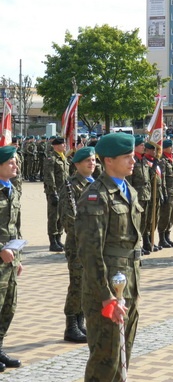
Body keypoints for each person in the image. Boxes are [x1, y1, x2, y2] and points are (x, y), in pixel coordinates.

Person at [76, 133, 142, 382]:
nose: (133, 161)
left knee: (123, 351)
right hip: (107, 288)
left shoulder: (128, 189)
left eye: (132, 155)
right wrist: (105, 296)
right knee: (106, 355)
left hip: (128, 281)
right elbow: (90, 253)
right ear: (109, 160)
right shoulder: (96, 196)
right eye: (127, 157)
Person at [59, 146, 96, 343]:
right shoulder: (70, 186)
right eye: (87, 161)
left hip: (93, 244)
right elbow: (69, 219)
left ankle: (81, 322)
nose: (92, 163)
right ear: (77, 164)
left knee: (87, 283)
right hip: (78, 244)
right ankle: (71, 326)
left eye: (94, 160)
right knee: (77, 283)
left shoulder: (97, 184)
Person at [0, 145, 23, 371]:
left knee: (9, 307)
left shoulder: (12, 190)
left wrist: (18, 256)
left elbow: (15, 227)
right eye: (10, 163)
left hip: (10, 260)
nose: (15, 165)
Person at [43, 136, 69, 252]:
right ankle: (52, 241)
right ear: (56, 146)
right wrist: (53, 193)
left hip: (63, 191)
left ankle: (58, 238)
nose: (65, 146)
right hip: (54, 191)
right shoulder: (51, 158)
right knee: (54, 216)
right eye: (62, 144)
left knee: (62, 215)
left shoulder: (63, 158)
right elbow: (49, 176)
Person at [158, 138, 173, 247]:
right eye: (170, 147)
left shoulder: (172, 159)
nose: (172, 148)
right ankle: (162, 238)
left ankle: (167, 236)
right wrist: (164, 193)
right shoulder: (163, 160)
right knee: (165, 216)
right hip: (167, 192)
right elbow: (163, 178)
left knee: (172, 215)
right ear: (165, 148)